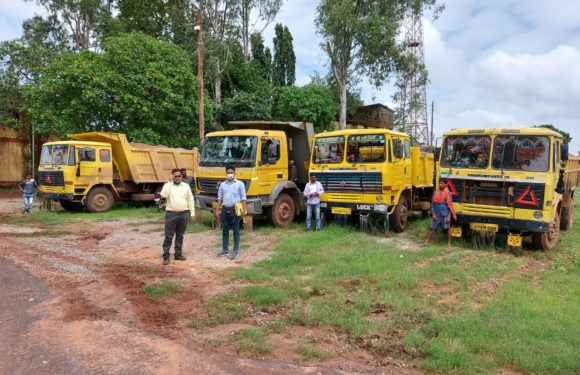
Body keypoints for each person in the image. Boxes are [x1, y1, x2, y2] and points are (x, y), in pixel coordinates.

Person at [159, 168, 196, 265]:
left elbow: (190, 200)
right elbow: (163, 195)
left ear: (181, 176)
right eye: (175, 176)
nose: (177, 178)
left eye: (179, 176)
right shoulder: (168, 185)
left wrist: (192, 213)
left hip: (183, 214)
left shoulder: (186, 186)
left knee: (180, 235)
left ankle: (178, 254)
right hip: (171, 214)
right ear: (172, 176)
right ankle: (166, 256)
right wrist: (168, 185)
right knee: (169, 236)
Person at [215, 165, 247, 259]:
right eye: (228, 172)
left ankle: (235, 250)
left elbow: (243, 198)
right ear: (226, 173)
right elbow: (220, 198)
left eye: (231, 172)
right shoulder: (222, 185)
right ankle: (225, 249)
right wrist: (217, 210)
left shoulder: (239, 184)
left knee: (236, 230)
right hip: (225, 209)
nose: (230, 174)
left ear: (234, 173)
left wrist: (243, 210)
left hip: (235, 209)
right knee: (225, 230)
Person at [421, 180, 456, 247]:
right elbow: (433, 204)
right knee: (432, 228)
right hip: (437, 214)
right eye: (440, 183)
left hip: (445, 214)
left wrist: (449, 216)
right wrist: (433, 214)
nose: (440, 184)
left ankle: (449, 243)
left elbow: (450, 206)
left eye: (442, 183)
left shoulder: (449, 194)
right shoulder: (435, 192)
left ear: (445, 185)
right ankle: (426, 242)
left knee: (448, 228)